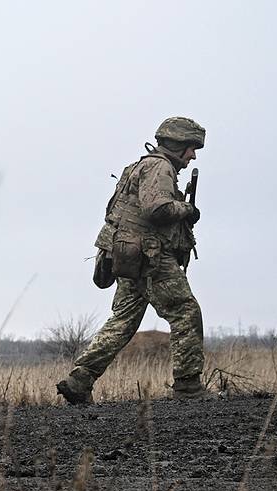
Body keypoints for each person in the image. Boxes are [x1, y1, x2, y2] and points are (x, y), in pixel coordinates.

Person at [57, 117, 207, 405]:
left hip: (130, 258)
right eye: (191, 148)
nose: (193, 155)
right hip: (151, 259)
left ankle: (79, 380)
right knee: (186, 312)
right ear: (177, 145)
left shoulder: (140, 166)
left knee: (123, 321)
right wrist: (187, 209)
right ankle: (189, 388)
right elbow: (157, 209)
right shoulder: (160, 167)